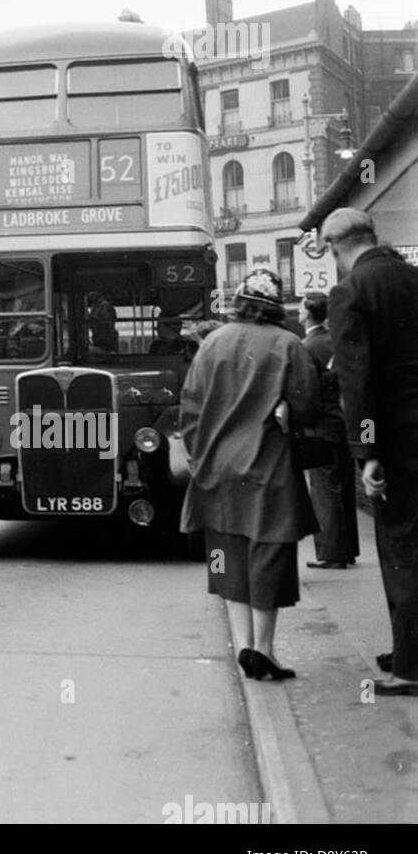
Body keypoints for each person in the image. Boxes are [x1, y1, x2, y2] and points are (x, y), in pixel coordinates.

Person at [179, 269, 319, 682]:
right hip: (268, 465)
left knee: (227, 557)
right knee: (269, 554)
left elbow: (190, 411)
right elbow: (308, 407)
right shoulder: (289, 345)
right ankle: (264, 648)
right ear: (276, 308)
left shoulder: (212, 344)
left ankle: (243, 646)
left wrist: (200, 454)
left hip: (218, 468)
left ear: (238, 302)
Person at [323, 207, 418, 695]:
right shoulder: (413, 277)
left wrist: (367, 451)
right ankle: (407, 649)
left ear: (338, 245)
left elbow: (355, 380)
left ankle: (410, 669)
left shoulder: (351, 292)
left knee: (402, 547)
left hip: (399, 441)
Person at [298, 290, 357, 570]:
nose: (298, 313)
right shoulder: (336, 341)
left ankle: (332, 553)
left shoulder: (306, 346)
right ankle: (348, 548)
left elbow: (306, 391)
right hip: (343, 421)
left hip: (320, 424)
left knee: (324, 489)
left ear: (309, 313)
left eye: (300, 309)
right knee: (344, 485)